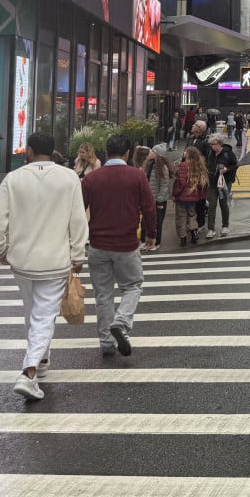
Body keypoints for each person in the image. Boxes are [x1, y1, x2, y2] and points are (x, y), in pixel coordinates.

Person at [0, 131, 86, 401]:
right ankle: (29, 371)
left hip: (22, 260)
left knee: (33, 313)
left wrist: (0, 249)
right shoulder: (69, 178)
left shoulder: (14, 178)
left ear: (29, 150)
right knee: (44, 316)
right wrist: (78, 254)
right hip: (55, 259)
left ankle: (41, 361)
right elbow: (78, 219)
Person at [79, 134, 156, 357]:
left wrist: (76, 242)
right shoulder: (137, 176)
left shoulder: (92, 179)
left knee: (103, 295)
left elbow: (78, 211)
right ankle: (121, 322)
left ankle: (106, 342)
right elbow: (149, 208)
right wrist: (151, 234)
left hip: (98, 244)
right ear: (127, 153)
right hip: (126, 243)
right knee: (132, 286)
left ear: (106, 152)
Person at [171, 147, 209, 247]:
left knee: (181, 216)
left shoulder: (183, 165)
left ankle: (183, 238)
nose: (184, 152)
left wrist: (175, 193)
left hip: (182, 196)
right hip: (194, 196)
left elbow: (182, 182)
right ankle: (193, 233)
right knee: (192, 215)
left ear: (188, 154)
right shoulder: (198, 165)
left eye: (186, 151)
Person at [205, 134, 238, 238]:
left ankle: (225, 226)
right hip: (213, 182)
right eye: (211, 144)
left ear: (219, 144)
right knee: (212, 205)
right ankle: (211, 229)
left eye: (214, 144)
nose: (212, 146)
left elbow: (235, 165)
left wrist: (226, 170)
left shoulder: (228, 153)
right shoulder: (210, 153)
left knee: (223, 204)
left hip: (225, 182)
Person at [142, 148, 173, 249]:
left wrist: (159, 199)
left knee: (158, 221)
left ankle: (157, 242)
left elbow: (165, 185)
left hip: (158, 200)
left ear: (157, 154)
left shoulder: (162, 167)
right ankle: (146, 241)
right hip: (149, 199)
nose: (150, 153)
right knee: (146, 220)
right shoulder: (150, 165)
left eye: (152, 151)